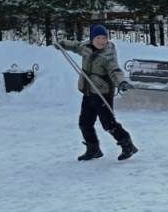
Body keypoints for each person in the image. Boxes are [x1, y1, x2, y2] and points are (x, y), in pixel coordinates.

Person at [57, 24, 139, 162]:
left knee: (108, 123)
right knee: (84, 123)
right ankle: (93, 149)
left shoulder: (108, 55)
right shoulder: (86, 47)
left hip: (103, 92)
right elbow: (75, 46)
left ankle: (127, 145)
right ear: (92, 39)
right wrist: (62, 44)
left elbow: (115, 71)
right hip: (89, 91)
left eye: (104, 38)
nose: (102, 41)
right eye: (98, 38)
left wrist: (122, 82)